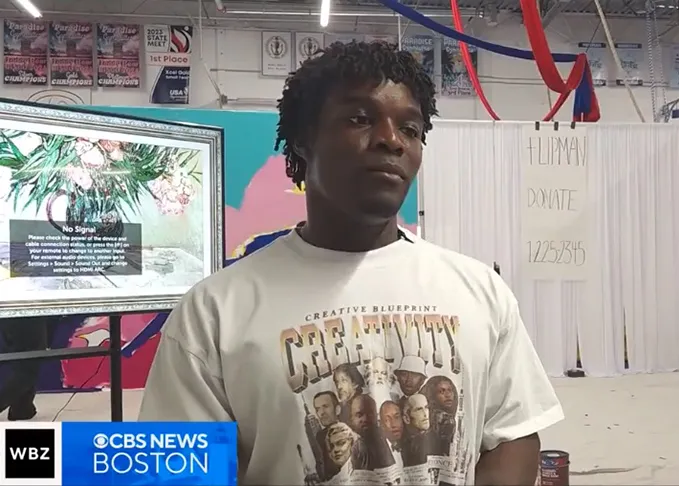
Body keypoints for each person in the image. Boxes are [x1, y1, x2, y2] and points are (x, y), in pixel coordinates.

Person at [139, 41, 563, 485]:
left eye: (411, 128)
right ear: (303, 139)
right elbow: (179, 473)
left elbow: (512, 436)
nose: (391, 139)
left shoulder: (480, 292)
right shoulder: (214, 312)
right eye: (360, 118)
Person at [0, 316, 52, 420]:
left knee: (23, 362)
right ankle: (21, 408)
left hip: (10, 315)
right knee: (27, 369)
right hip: (26, 315)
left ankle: (22, 409)